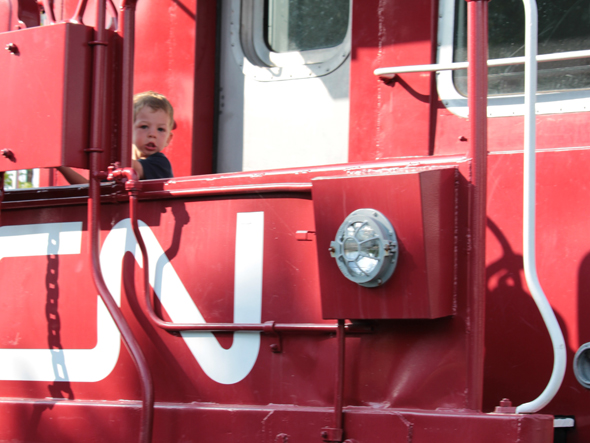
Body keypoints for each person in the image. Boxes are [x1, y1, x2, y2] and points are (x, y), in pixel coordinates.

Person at [57, 91, 174, 184]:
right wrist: (61, 167)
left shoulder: (160, 163)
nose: (152, 134)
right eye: (144, 126)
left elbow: (133, 167)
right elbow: (87, 189)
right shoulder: (117, 167)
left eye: (161, 129)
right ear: (127, 132)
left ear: (168, 139)